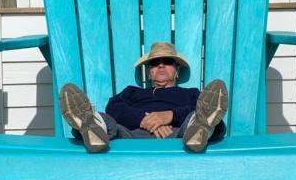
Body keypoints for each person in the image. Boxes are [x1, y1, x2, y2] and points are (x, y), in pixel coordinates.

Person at [58, 41, 228, 154]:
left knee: (198, 115)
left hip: (179, 136)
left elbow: (198, 107)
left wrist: (169, 116)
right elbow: (114, 107)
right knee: (108, 122)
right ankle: (92, 125)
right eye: (155, 62)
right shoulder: (133, 92)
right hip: (130, 137)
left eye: (167, 61)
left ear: (177, 70)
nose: (161, 65)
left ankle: (199, 129)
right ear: (149, 71)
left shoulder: (190, 93)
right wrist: (147, 121)